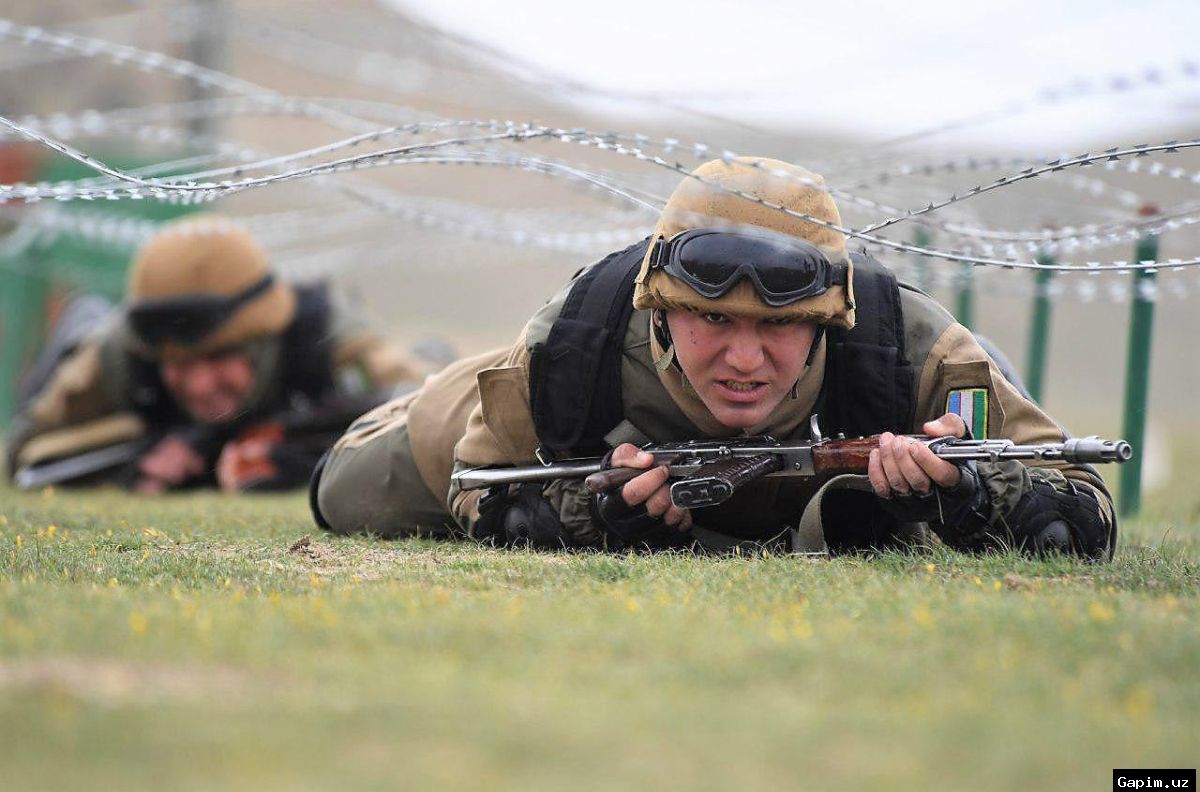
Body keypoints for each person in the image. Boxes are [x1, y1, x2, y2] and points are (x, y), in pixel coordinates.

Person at [312, 158, 1116, 558]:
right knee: (338, 495)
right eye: (708, 318)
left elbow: (1079, 519)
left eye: (780, 327)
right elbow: (485, 493)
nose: (743, 358)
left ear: (832, 319)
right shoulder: (571, 345)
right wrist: (603, 514)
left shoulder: (911, 348)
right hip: (482, 419)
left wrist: (972, 489)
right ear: (659, 308)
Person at [6, 214, 436, 493]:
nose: (199, 385)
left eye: (220, 358)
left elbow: (426, 398)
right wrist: (136, 456)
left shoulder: (326, 334)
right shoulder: (118, 355)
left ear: (263, 340)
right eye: (177, 364)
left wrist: (299, 451)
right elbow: (23, 456)